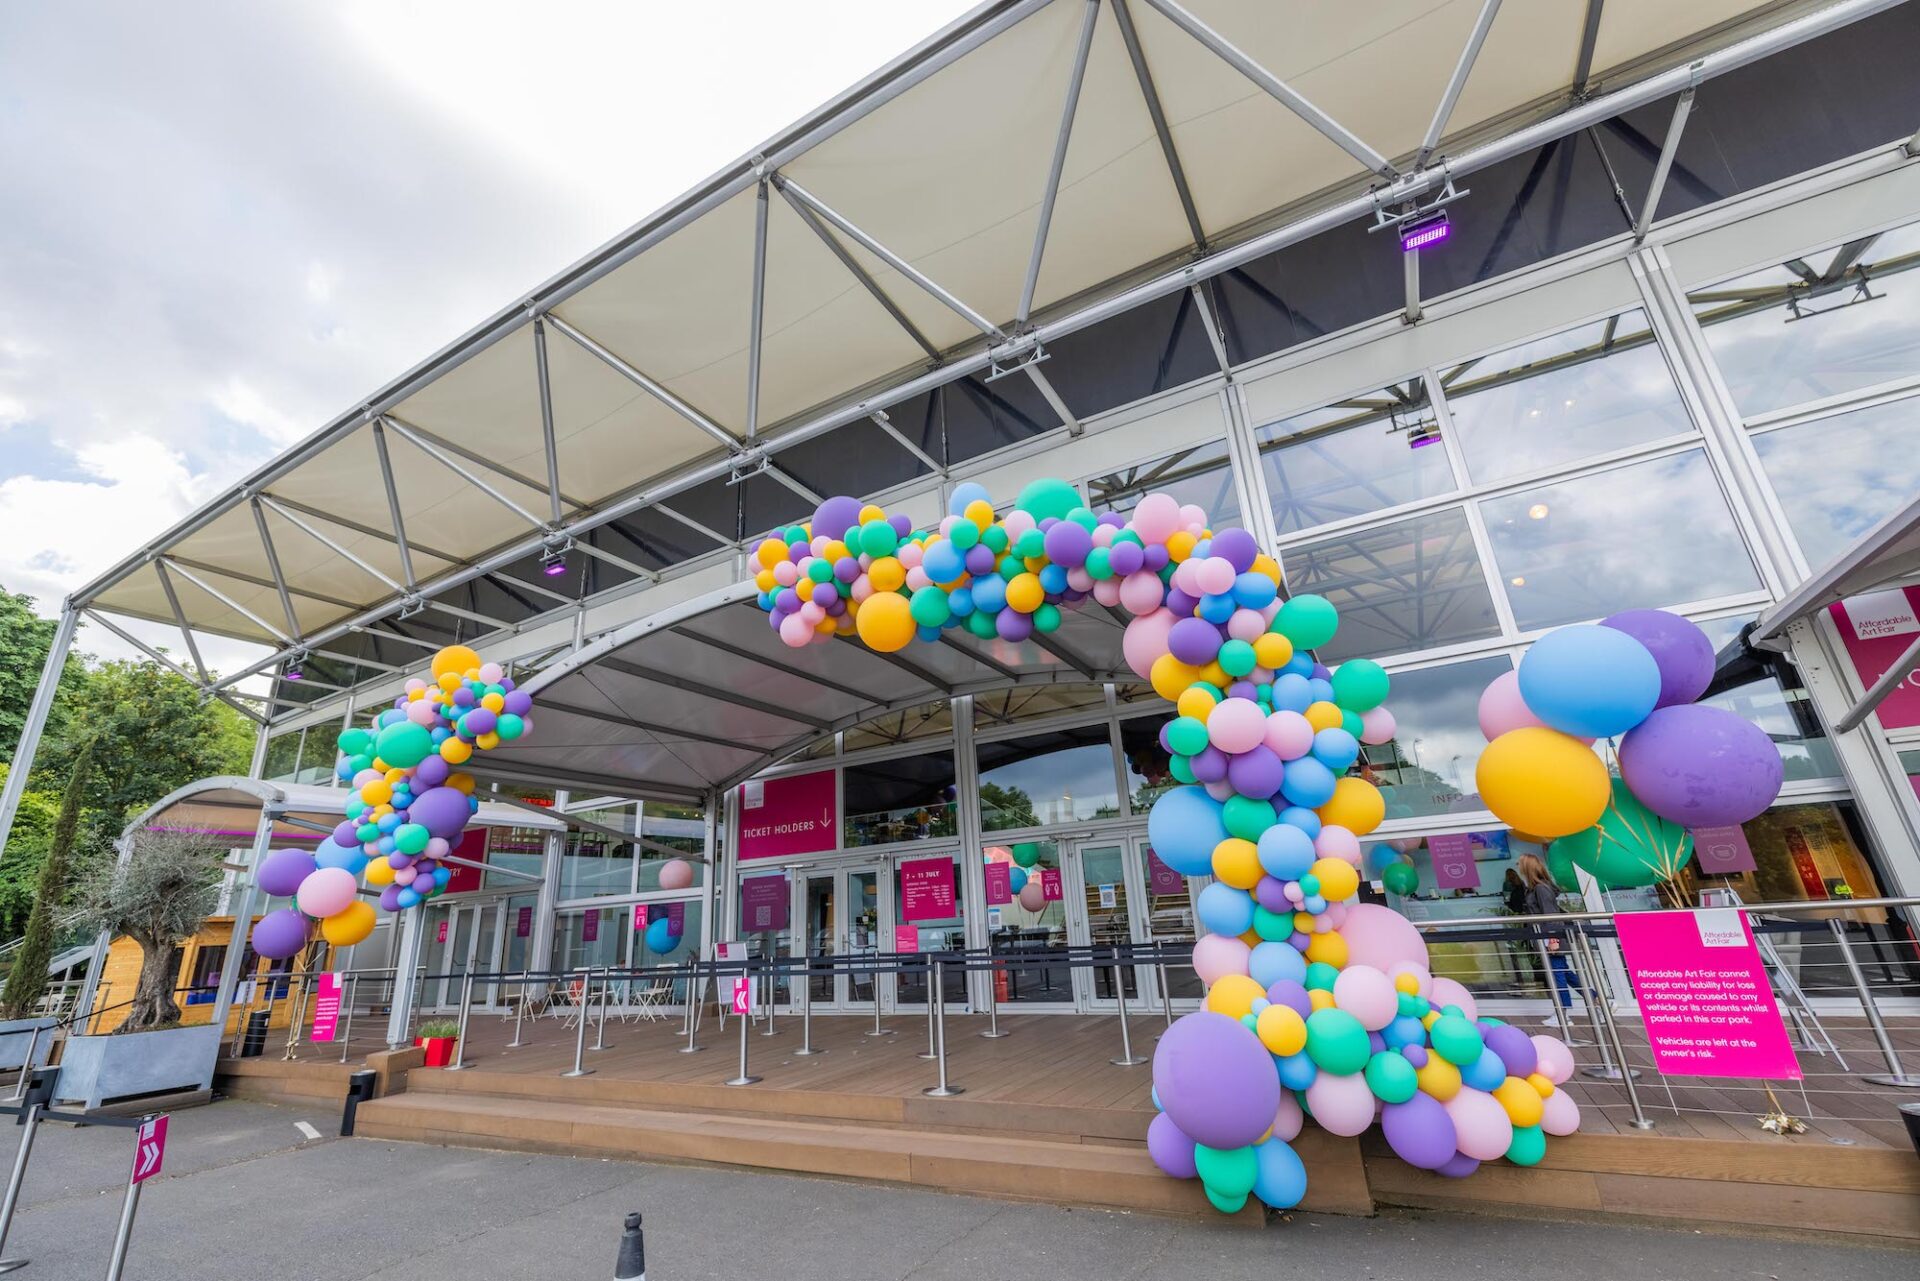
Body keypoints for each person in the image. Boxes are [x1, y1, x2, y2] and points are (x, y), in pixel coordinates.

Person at [1517, 852, 1581, 1014]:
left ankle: (1563, 1012)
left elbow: (1550, 914)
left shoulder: (1540, 889)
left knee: (1558, 976)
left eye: (1520, 865)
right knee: (1565, 974)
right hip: (1546, 937)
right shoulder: (1536, 888)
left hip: (1550, 938)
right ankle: (1597, 1000)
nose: (1519, 868)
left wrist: (1553, 939)